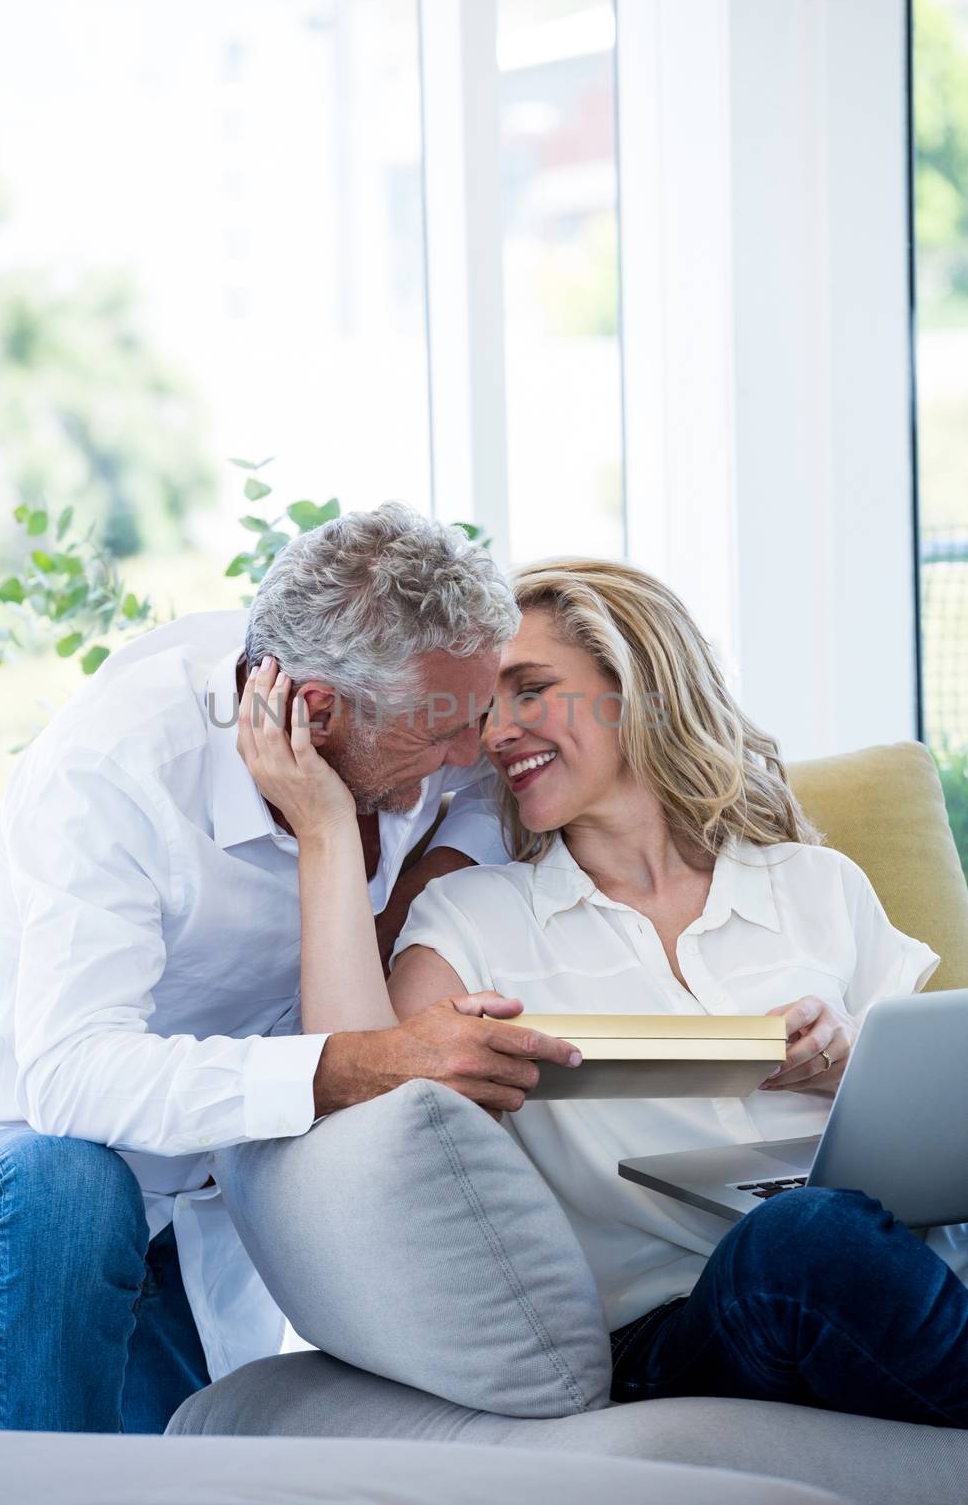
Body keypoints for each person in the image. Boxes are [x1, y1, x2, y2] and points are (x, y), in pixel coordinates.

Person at [241, 556, 968, 1429]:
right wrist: (323, 826)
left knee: (825, 1228)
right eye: (481, 710)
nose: (494, 735)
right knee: (802, 1239)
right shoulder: (475, 916)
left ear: (637, 686)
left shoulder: (816, 884)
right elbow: (352, 1109)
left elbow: (939, 1109)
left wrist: (840, 1066)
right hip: (688, 1320)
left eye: (530, 690)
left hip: (907, 1272)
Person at [0, 504, 582, 1434]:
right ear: (312, 713)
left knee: (185, 1467)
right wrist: (358, 1060)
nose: (475, 756)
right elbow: (67, 1081)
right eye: (444, 735)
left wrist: (407, 879)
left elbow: (481, 784)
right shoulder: (119, 771)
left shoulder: (408, 700)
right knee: (64, 1186)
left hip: (177, 1220)